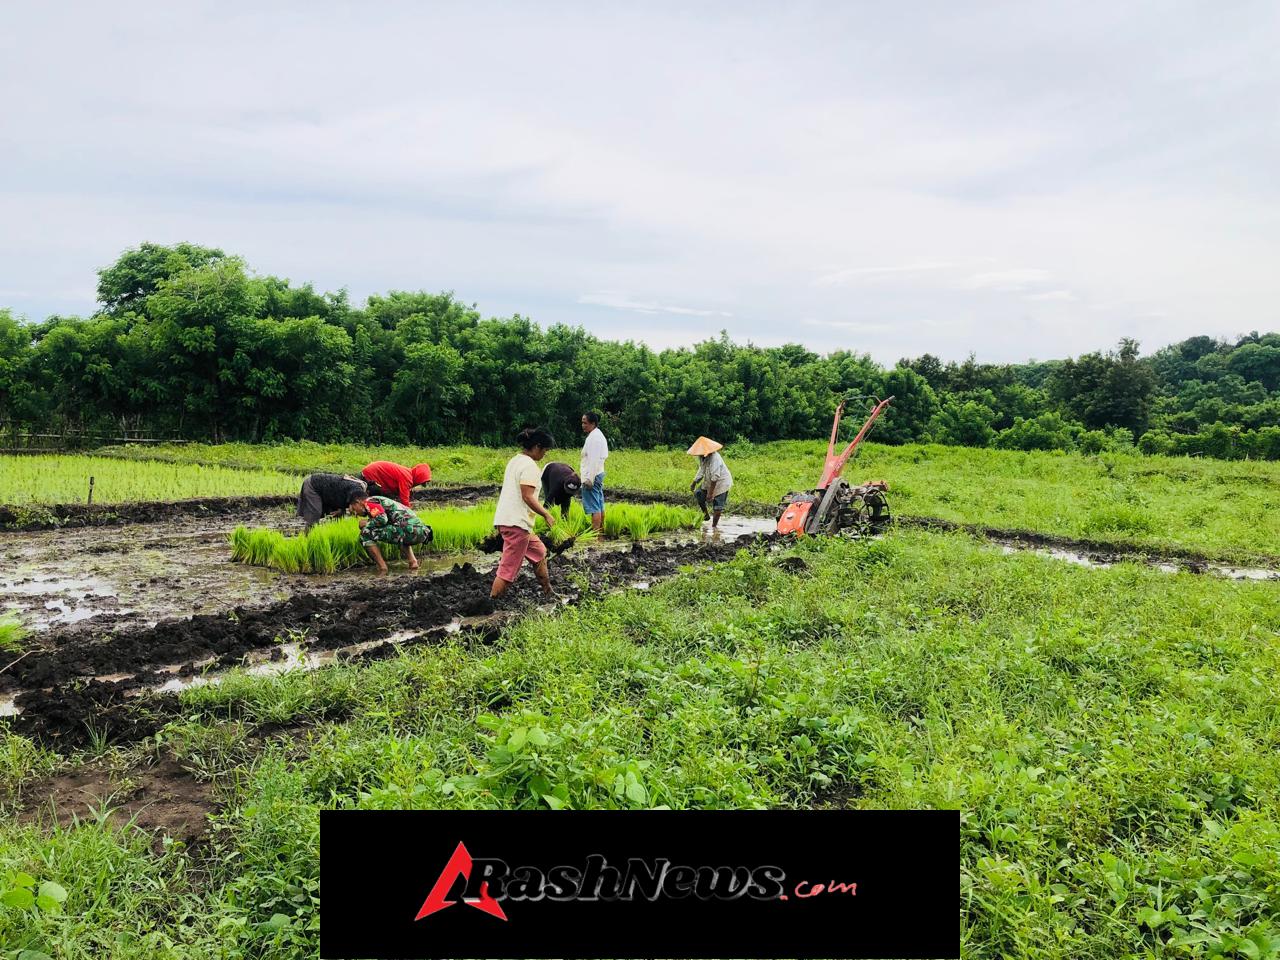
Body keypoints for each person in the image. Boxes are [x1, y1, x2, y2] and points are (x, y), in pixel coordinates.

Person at [491, 427, 557, 599]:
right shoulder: (530, 466)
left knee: (539, 552)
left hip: (513, 521)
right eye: (545, 450)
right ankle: (492, 604)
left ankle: (548, 592)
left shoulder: (516, 460)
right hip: (516, 524)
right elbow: (527, 497)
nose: (545, 454)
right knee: (508, 569)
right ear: (537, 447)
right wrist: (546, 514)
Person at [347, 492, 434, 575]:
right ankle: (413, 562)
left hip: (409, 531)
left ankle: (382, 568)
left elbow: (382, 519)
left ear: (358, 502)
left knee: (365, 533)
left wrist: (367, 523)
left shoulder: (369, 502)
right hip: (421, 532)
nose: (356, 514)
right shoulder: (379, 501)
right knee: (396, 529)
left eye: (354, 509)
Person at [687, 436, 732, 529]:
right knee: (698, 493)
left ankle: (714, 527)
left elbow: (715, 477)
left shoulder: (715, 458)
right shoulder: (702, 457)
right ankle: (706, 515)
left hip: (721, 483)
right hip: (709, 481)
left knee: (718, 506)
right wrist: (694, 483)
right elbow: (701, 470)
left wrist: (710, 494)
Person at [297, 472, 367, 531]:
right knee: (314, 514)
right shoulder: (356, 491)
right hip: (314, 485)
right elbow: (352, 494)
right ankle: (307, 538)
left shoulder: (355, 498)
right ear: (359, 502)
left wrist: (342, 510)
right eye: (355, 511)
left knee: (339, 515)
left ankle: (332, 533)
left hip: (328, 492)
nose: (354, 514)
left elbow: (343, 498)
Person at [579, 411, 608, 533]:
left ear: (593, 423)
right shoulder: (595, 435)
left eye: (585, 423)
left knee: (594, 507)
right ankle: (600, 533)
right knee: (599, 504)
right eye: (582, 422)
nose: (583, 425)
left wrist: (589, 479)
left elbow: (593, 460)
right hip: (597, 473)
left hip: (593, 475)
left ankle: (595, 536)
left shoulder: (595, 438)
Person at [360, 460, 432, 508]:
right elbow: (404, 499)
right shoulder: (407, 478)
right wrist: (409, 511)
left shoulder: (407, 473)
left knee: (382, 500)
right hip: (371, 473)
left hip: (372, 470)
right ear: (418, 477)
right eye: (422, 482)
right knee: (376, 499)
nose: (420, 484)